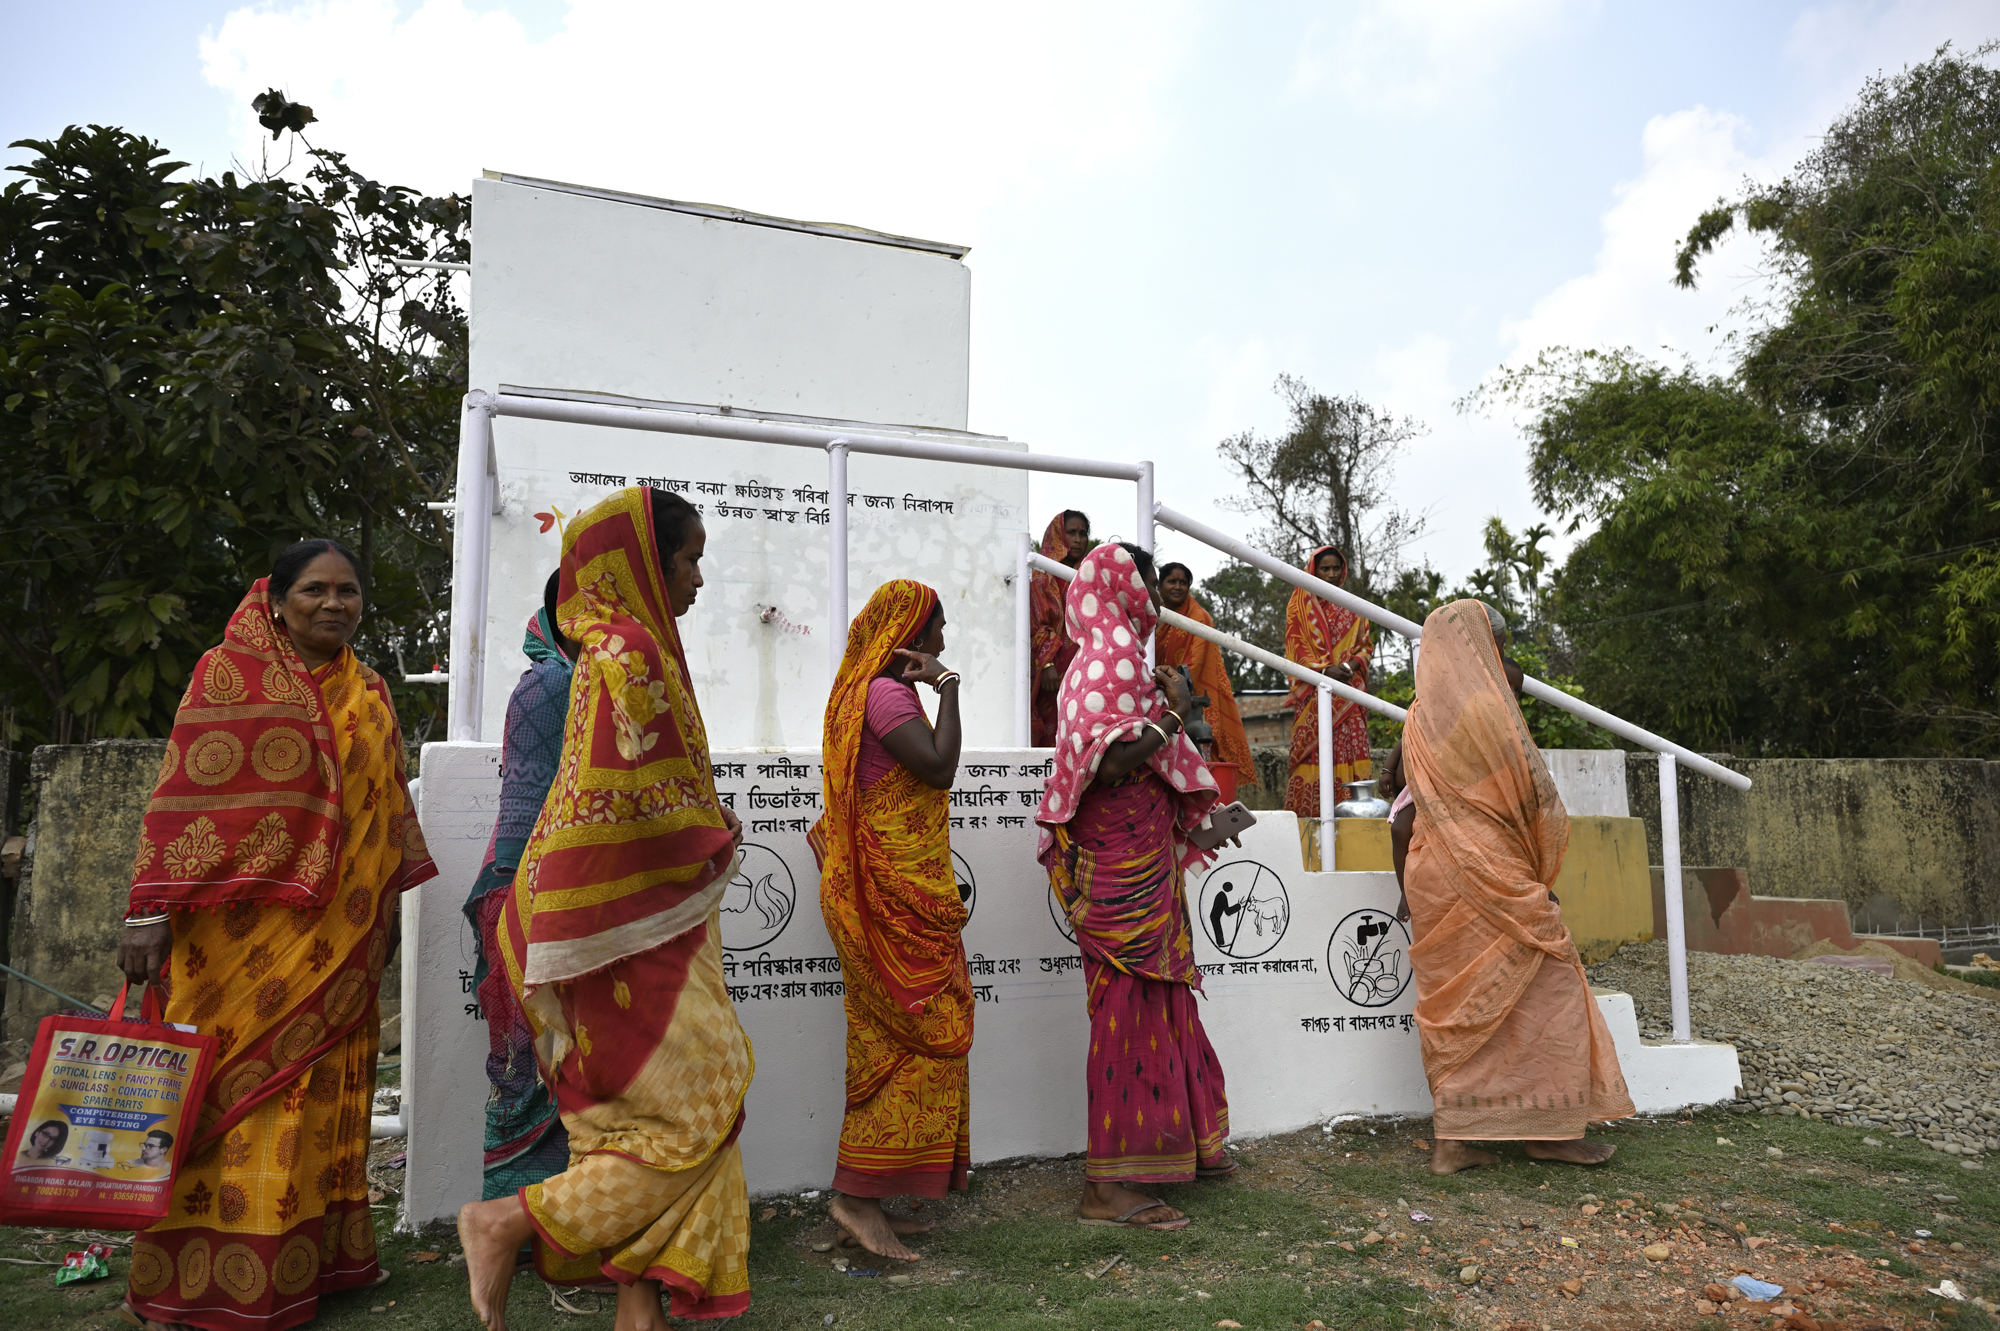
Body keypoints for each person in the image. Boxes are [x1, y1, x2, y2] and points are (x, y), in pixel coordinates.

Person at [115, 538, 437, 1331]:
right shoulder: (225, 677)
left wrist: (384, 915)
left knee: (318, 1098)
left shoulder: (371, 691)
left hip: (341, 936)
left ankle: (307, 1266)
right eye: (315, 590)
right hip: (233, 943)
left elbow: (388, 809)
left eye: (348, 591)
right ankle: (196, 1281)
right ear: (278, 597)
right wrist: (148, 910)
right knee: (227, 1094)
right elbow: (180, 799)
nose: (334, 604)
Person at [457, 486, 751, 1331]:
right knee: (703, 1097)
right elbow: (625, 799)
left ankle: (639, 1306)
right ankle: (506, 1220)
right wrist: (709, 827)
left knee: (632, 1117)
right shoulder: (627, 651)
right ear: (643, 565)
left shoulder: (615, 649)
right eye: (688, 558)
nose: (698, 577)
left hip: (609, 918)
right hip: (623, 920)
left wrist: (702, 817)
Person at [1388, 599, 1633, 1175]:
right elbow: (1526, 793)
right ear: (1486, 648)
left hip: (1432, 869)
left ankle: (1455, 1141)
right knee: (1554, 989)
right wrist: (1532, 868)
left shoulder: (1420, 714)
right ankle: (1547, 1134)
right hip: (1484, 867)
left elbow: (1401, 809)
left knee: (1463, 1008)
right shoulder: (1486, 707)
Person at [1036, 542, 1234, 1232]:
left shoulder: (1109, 656)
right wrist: (1174, 717)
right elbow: (1113, 763)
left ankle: (1185, 1146)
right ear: (1121, 585)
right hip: (1120, 867)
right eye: (1148, 580)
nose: (1155, 593)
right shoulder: (1112, 658)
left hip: (1141, 859)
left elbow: (1133, 759)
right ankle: (1107, 1188)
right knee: (1129, 1012)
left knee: (1160, 1003)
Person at [808, 579, 970, 1262]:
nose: (939, 643)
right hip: (890, 897)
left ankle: (872, 1193)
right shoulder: (885, 693)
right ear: (905, 632)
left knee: (896, 1042)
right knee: (916, 1035)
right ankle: (857, 1198)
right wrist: (950, 686)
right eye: (933, 630)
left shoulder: (863, 692)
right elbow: (937, 768)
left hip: (896, 894)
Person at [461, 572, 575, 1202]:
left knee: (560, 1063)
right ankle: (516, 1224)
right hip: (529, 891)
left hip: (560, 890)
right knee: (530, 1071)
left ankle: (562, 1220)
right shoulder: (551, 684)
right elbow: (530, 813)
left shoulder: (591, 680)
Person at [1154, 562, 1260, 795]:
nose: (1178, 587)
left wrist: (1171, 685)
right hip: (1156, 692)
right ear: (1159, 585)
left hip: (1191, 693)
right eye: (1172, 581)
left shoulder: (1197, 617)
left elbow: (1195, 662)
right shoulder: (1153, 615)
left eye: (1183, 582)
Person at [1285, 545, 1373, 816]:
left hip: (1349, 695)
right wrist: (1324, 671)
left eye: (1336, 568)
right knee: (1312, 757)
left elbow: (1365, 646)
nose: (1332, 574)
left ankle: (1356, 815)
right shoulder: (1298, 607)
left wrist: (1349, 666)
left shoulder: (1353, 606)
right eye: (1325, 568)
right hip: (1315, 696)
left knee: (1352, 752)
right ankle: (1311, 821)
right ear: (1313, 570)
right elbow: (1294, 653)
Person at [1029, 510, 1091, 746]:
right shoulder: (1041, 574)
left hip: (1082, 667)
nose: (1078, 539)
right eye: (1072, 533)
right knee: (1049, 734)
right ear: (1058, 535)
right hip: (1051, 671)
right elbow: (1037, 622)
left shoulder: (1087, 576)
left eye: (1083, 534)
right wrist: (1047, 663)